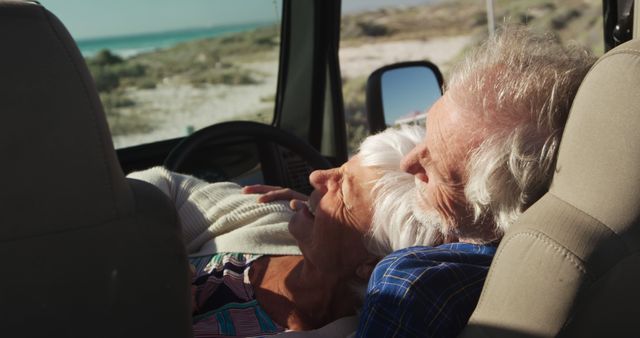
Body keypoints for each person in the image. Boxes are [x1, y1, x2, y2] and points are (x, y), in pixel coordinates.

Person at [355, 27, 597, 337]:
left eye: (435, 169)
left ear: (495, 207)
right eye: (425, 133)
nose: (408, 163)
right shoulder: (601, 257)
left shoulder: (411, 284)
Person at [127, 126, 432, 337]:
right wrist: (156, 263)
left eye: (342, 188)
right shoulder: (273, 213)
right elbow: (157, 186)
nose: (316, 176)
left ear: (370, 264)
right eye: (339, 168)